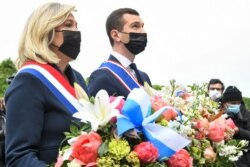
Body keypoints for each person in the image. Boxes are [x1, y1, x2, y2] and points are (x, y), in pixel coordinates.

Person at [4, 2, 89, 166]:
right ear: (45, 31)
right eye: (68, 25)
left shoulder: (77, 79)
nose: (76, 32)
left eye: (77, 26)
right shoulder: (28, 81)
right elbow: (18, 158)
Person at [88, 8, 152, 98]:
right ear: (116, 35)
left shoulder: (144, 77)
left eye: (142, 26)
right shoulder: (102, 77)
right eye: (135, 26)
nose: (143, 31)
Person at [221, 86, 250, 166]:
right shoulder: (218, 116)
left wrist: (239, 131)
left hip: (245, 159)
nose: (237, 105)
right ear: (224, 103)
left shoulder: (247, 115)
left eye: (239, 103)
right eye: (233, 103)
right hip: (223, 158)